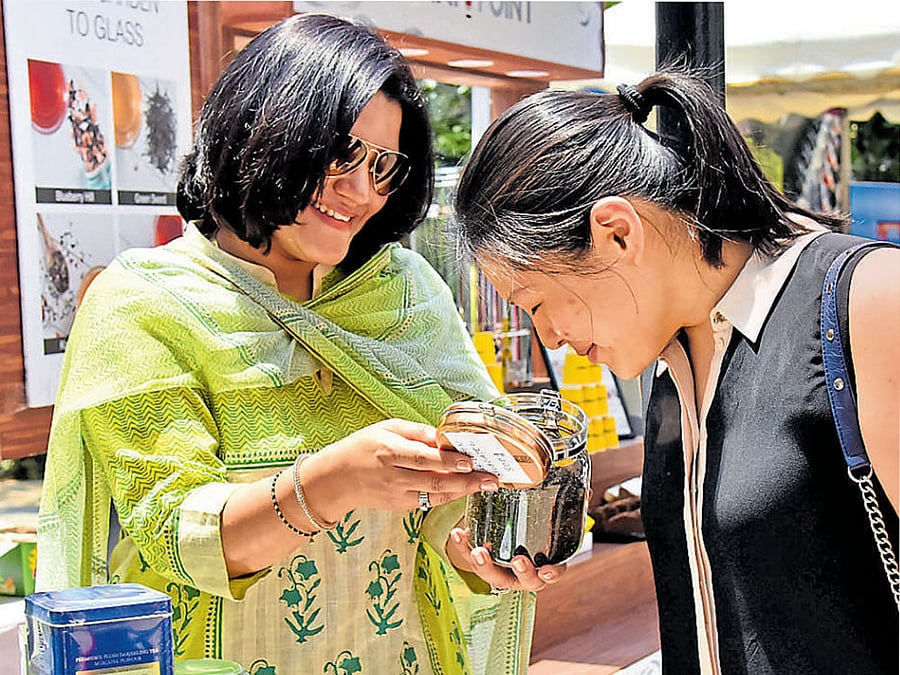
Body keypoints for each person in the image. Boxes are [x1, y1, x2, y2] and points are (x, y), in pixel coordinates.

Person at [36, 14, 559, 674]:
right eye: (341, 154)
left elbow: (456, 499)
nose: (362, 191)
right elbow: (175, 536)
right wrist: (332, 481)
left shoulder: (403, 295)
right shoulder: (147, 304)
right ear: (264, 130)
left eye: (383, 165)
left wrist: (478, 550)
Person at [453, 65, 899, 674]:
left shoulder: (866, 301)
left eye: (537, 302)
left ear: (615, 233)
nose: (549, 337)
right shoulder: (672, 363)